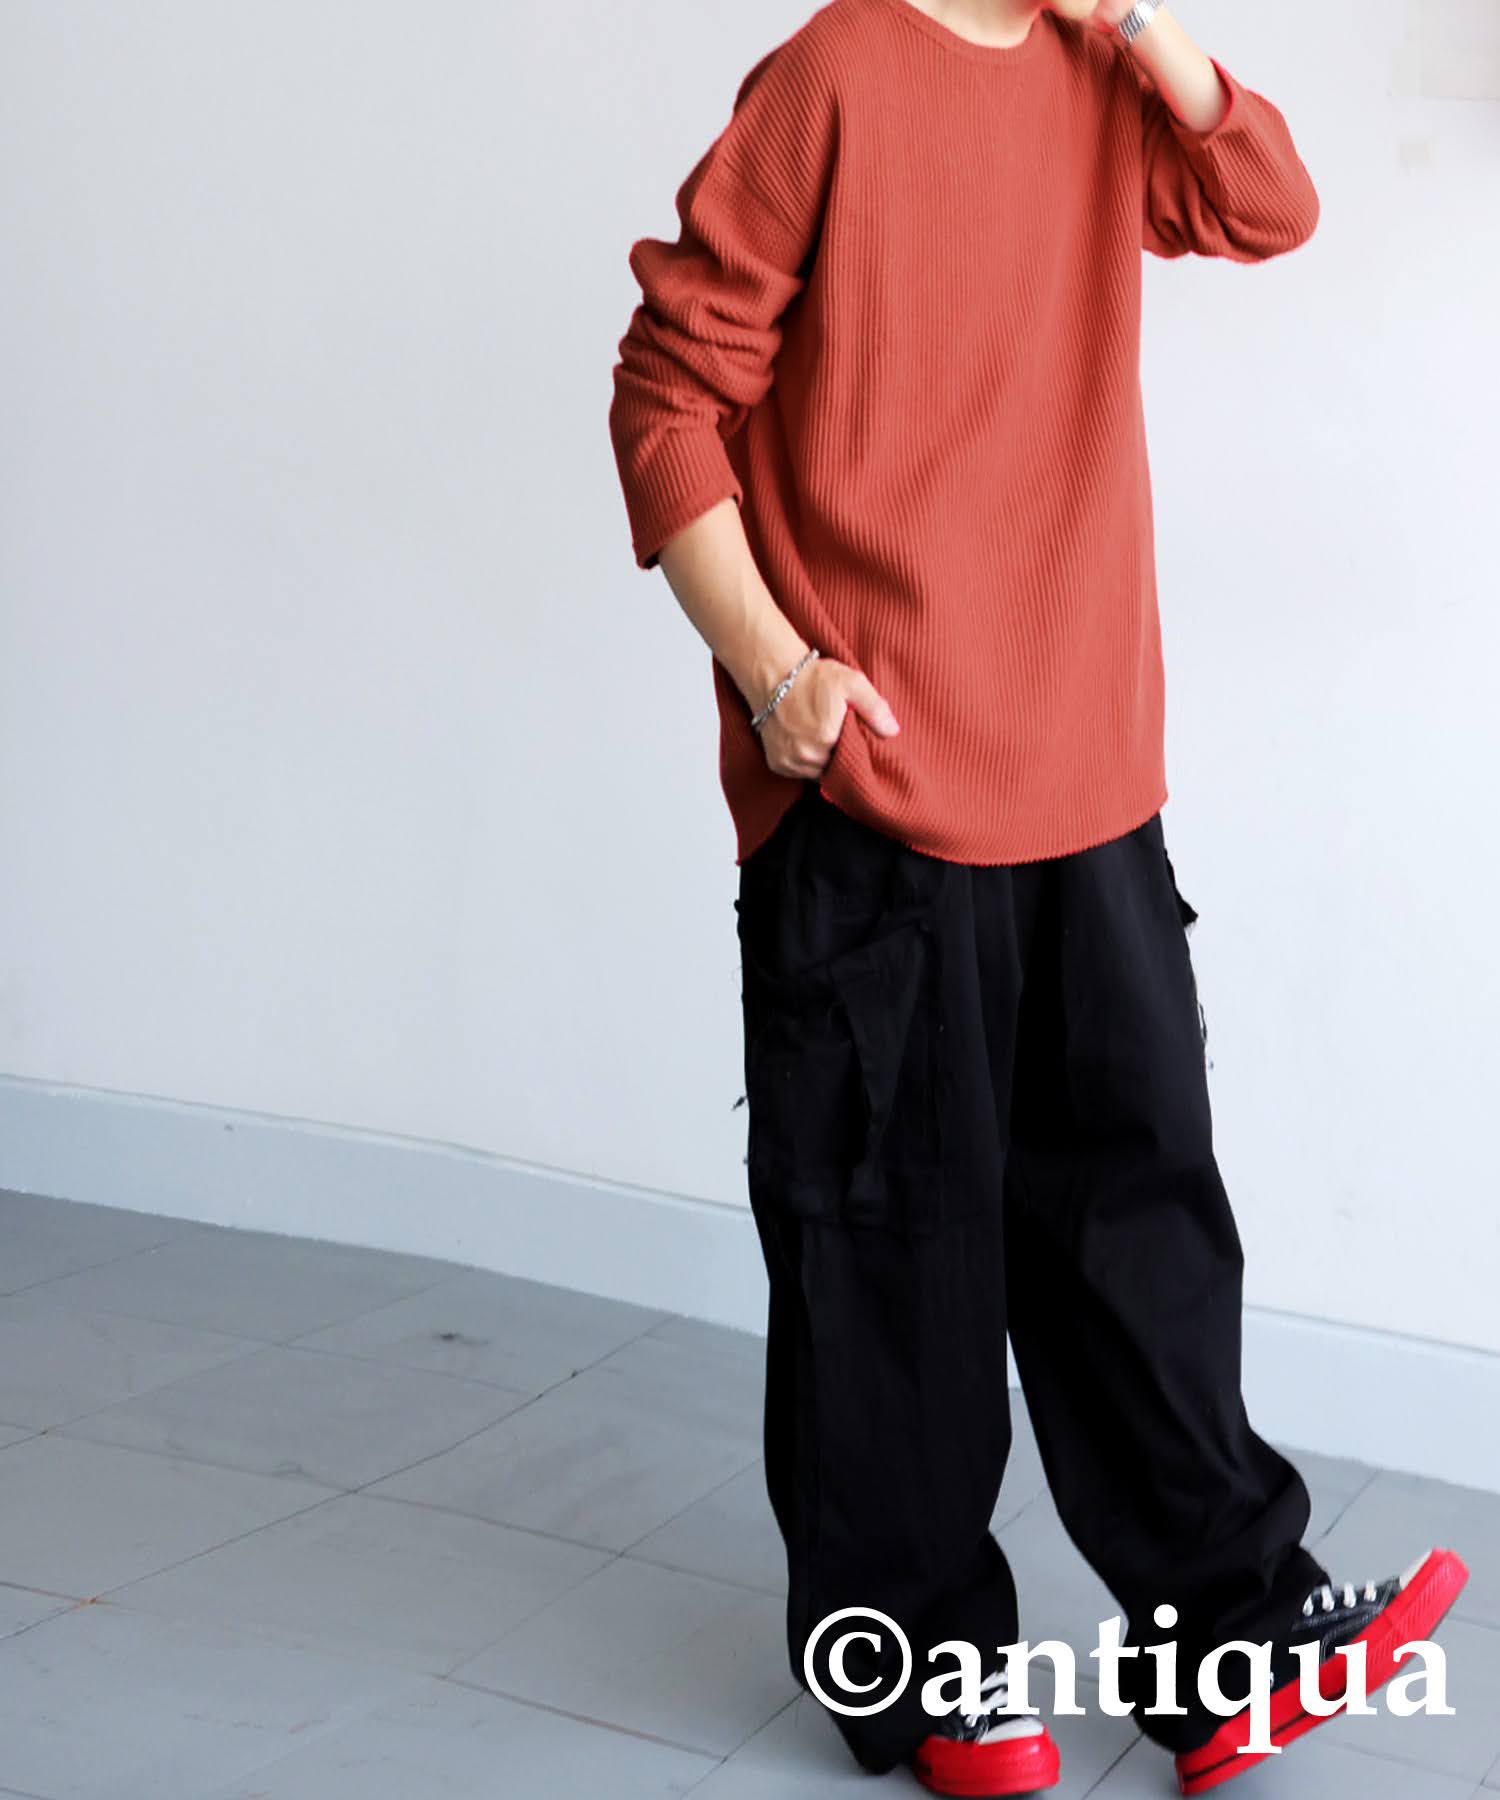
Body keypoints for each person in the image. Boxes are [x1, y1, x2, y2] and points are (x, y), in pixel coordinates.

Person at [606, 1, 1468, 1793]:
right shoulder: (833, 78)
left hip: (1090, 779)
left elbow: (1269, 200)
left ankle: (1230, 1645)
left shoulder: (1099, 75)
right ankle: (921, 1671)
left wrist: (1141, 29)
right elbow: (666, 396)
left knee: (1139, 1234)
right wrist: (777, 678)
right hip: (879, 789)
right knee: (892, 1254)